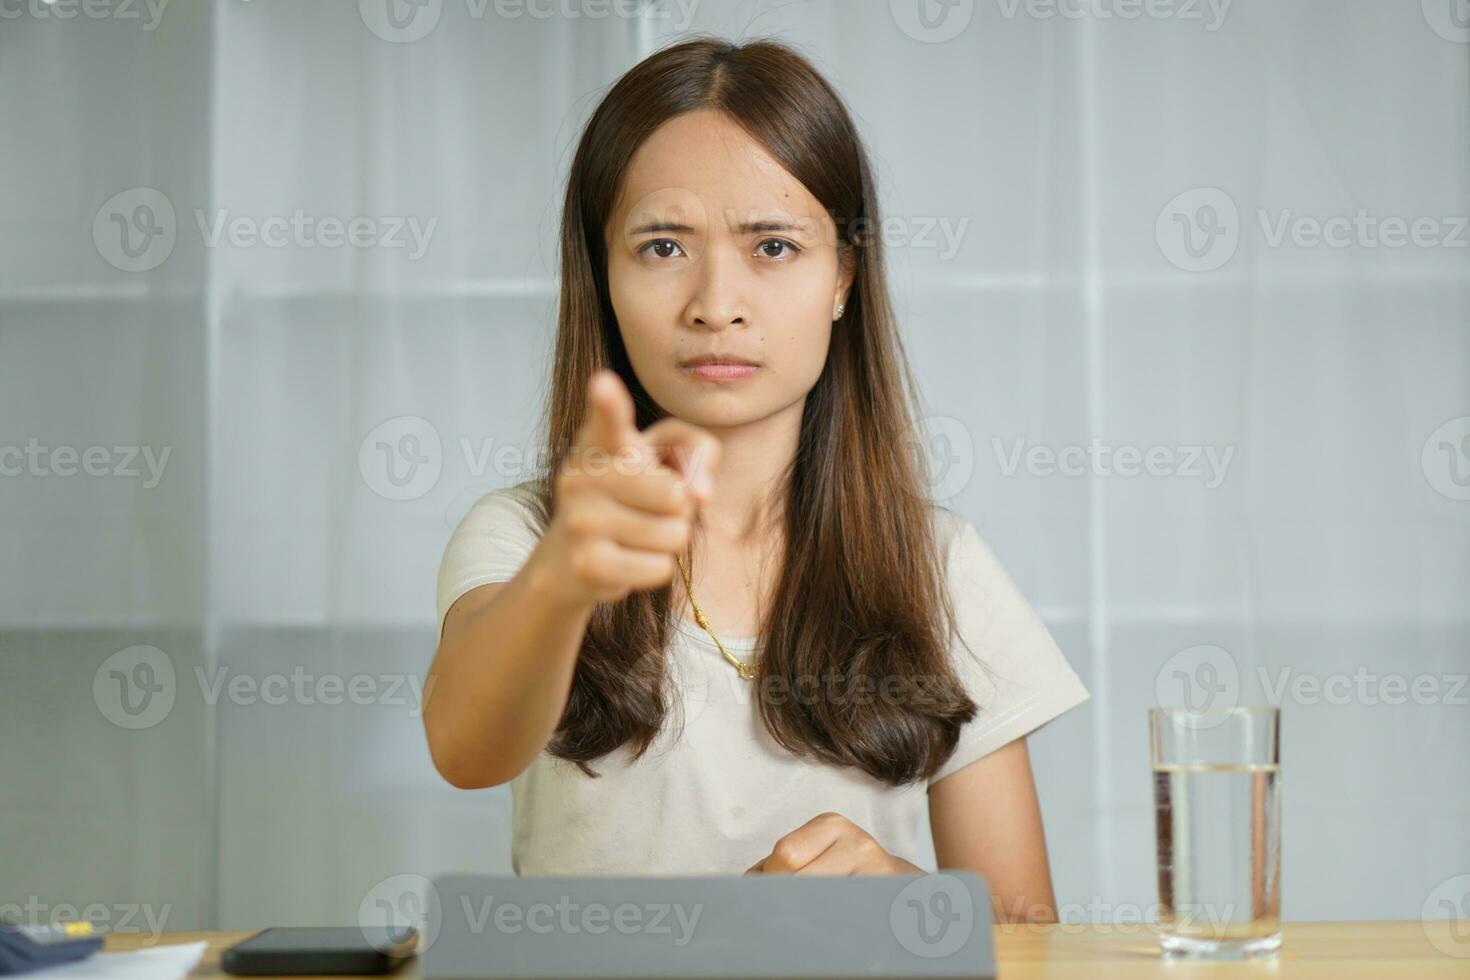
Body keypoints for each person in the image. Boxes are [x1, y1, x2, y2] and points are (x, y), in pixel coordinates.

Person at [423, 35, 1088, 924]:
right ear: (604, 277)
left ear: (843, 278)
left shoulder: (940, 564)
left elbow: (1030, 941)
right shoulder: (526, 534)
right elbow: (466, 749)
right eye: (663, 247)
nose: (716, 302)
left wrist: (911, 902)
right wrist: (563, 579)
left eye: (773, 247)